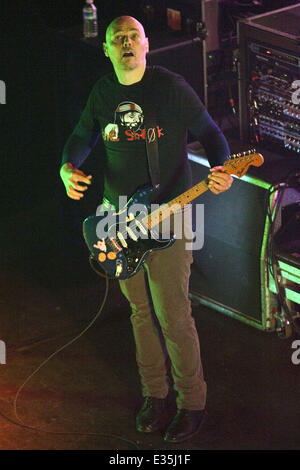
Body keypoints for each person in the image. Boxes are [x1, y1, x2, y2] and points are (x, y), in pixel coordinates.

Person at [60, 15, 233, 443]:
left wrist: (222, 169)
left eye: (133, 35)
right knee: (140, 314)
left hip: (170, 216)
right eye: (117, 38)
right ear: (106, 50)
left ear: (146, 43)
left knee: (173, 315)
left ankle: (191, 403)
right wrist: (68, 168)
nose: (126, 43)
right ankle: (155, 397)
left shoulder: (169, 87)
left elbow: (210, 132)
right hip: (116, 217)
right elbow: (82, 135)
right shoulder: (104, 92)